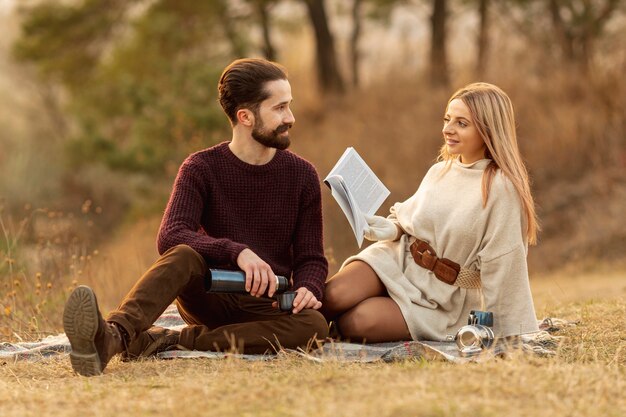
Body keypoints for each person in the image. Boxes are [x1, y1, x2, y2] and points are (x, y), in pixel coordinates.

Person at [63, 58, 329, 376]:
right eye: (280, 108)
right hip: (211, 295)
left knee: (314, 326)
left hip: (267, 308)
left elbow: (312, 257)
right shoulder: (201, 168)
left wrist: (309, 288)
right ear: (245, 116)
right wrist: (237, 252)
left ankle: (172, 341)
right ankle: (114, 337)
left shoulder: (302, 175)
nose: (291, 118)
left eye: (289, 106)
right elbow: (171, 234)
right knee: (184, 255)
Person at [322, 82, 540, 343]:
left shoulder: (500, 187)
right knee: (333, 295)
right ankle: (278, 327)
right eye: (447, 119)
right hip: (397, 259)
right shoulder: (440, 171)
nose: (448, 129)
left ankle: (312, 330)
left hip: (441, 298)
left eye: (462, 123)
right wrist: (389, 227)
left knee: (356, 322)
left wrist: (501, 330)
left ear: (488, 130)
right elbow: (412, 220)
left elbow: (503, 263)